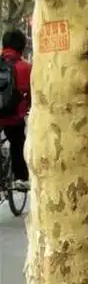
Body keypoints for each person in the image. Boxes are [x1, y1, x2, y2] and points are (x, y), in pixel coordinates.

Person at [0, 30, 31, 191]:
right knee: (17, 143)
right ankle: (21, 178)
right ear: (22, 47)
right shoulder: (26, 67)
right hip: (13, 118)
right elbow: (31, 95)